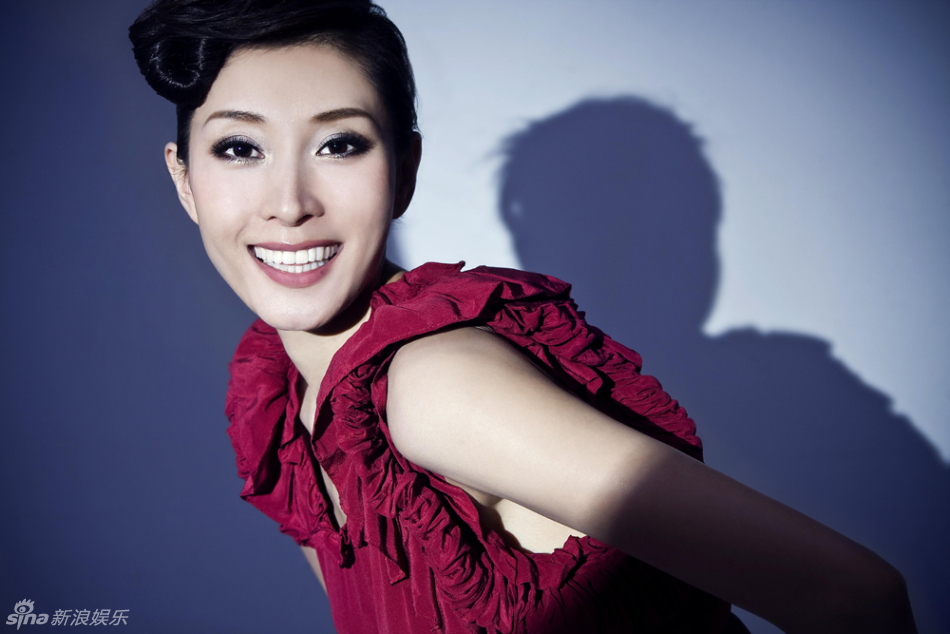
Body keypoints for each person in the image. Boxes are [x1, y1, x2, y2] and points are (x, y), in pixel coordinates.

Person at [128, 1, 916, 632]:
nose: (290, 203)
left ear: (405, 172)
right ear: (184, 179)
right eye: (239, 149)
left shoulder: (438, 386)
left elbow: (853, 600)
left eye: (339, 144)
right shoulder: (280, 402)